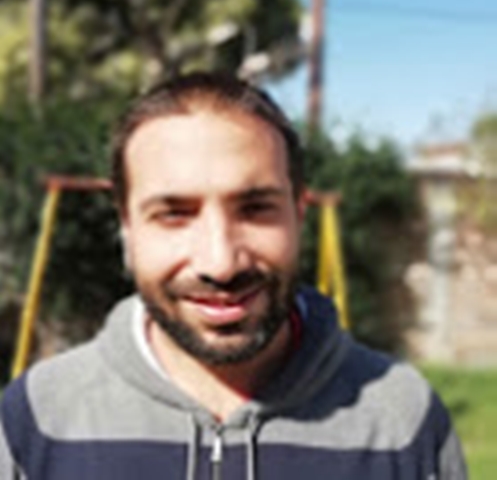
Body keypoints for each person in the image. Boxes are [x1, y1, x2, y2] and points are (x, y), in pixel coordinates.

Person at [0, 72, 466, 480]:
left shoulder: (403, 422)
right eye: (174, 214)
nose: (221, 263)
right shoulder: (37, 420)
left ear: (299, 215)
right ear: (127, 226)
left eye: (256, 209)